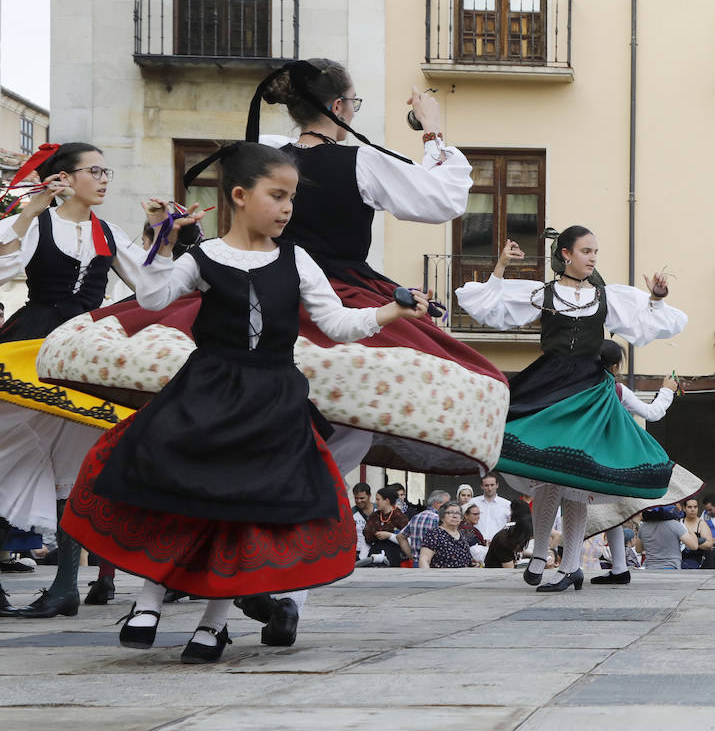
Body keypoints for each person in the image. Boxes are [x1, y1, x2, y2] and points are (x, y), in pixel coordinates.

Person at [62, 143, 430, 663]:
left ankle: (214, 624)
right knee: (177, 487)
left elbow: (337, 324)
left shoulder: (297, 259)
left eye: (292, 198)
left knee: (247, 510)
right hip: (208, 390)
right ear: (239, 195)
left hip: (273, 398)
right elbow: (153, 298)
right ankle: (148, 599)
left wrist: (393, 310)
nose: (287, 209)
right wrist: (164, 240)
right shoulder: (205, 256)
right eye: (277, 195)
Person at [253, 58, 510, 478]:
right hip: (338, 294)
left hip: (262, 288)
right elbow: (441, 199)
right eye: (353, 103)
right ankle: (302, 496)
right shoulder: (359, 162)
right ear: (338, 107)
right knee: (352, 416)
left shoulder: (264, 154)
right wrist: (431, 128)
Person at [456, 226, 687, 592]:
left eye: (596, 251)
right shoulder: (543, 293)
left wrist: (657, 296)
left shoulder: (606, 297)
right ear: (566, 254)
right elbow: (490, 306)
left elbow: (646, 322)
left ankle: (570, 566)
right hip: (547, 385)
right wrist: (499, 266)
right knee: (550, 472)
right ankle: (542, 556)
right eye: (586, 250)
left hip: (587, 391)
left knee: (574, 478)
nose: (593, 257)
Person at [0, 142, 144, 618]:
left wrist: (168, 237)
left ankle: (64, 587)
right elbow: (3, 266)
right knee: (9, 449)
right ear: (64, 178)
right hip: (35, 346)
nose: (104, 179)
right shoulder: (42, 223)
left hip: (83, 351)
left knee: (75, 466)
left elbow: (155, 285)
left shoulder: (108, 232)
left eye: (107, 170)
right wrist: (28, 211)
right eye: (95, 170)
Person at [590, 339, 684, 586]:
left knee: (592, 511)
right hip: (612, 458)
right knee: (610, 512)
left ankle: (617, 567)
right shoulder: (617, 390)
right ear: (614, 367)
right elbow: (652, 413)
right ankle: (614, 568)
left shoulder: (579, 387)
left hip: (581, 456)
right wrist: (667, 390)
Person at [396, 489, 449, 567]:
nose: (449, 508)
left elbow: (400, 536)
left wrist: (412, 556)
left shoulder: (416, 517)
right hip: (434, 565)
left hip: (417, 563)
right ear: (437, 504)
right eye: (446, 505)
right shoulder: (439, 519)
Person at [362, 485, 410, 567]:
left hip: (393, 555)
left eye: (378, 499)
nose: (376, 502)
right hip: (375, 554)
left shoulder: (400, 517)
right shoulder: (374, 516)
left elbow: (407, 540)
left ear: (386, 500)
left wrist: (389, 536)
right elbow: (367, 536)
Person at [418, 501, 475, 569]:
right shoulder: (434, 534)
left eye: (458, 513)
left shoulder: (462, 534)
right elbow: (424, 560)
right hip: (442, 578)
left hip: (463, 577)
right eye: (450, 513)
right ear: (442, 517)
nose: (455, 516)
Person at [484, 500, 533, 569]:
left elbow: (518, 552)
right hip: (497, 575)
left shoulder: (516, 535)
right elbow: (509, 570)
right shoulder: (503, 540)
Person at [474, 474, 512, 542]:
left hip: (498, 544)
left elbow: (511, 525)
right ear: (481, 486)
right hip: (476, 545)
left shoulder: (507, 504)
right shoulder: (473, 502)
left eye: (492, 485)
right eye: (486, 485)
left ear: (497, 485)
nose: (489, 488)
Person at [680, 498, 713, 569]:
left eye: (695, 507)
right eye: (689, 507)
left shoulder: (702, 524)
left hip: (695, 562)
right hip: (677, 560)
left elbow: (709, 544)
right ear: (684, 508)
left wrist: (692, 543)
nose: (693, 510)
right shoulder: (679, 522)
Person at [459, 498, 487, 565]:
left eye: (479, 514)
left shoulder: (469, 528)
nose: (478, 517)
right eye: (475, 514)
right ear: (466, 515)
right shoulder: (466, 530)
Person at [352, 482, 374, 561]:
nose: (359, 501)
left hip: (375, 552)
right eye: (356, 498)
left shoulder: (378, 510)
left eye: (362, 498)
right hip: (357, 553)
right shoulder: (351, 513)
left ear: (369, 496)